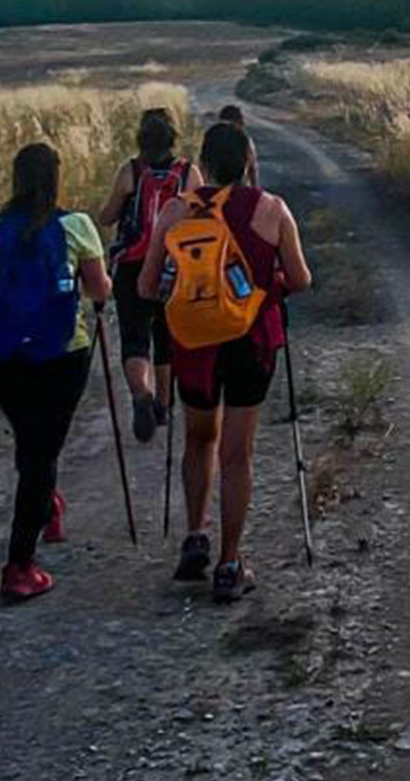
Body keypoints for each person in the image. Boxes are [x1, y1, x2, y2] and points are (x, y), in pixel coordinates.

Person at [139, 121, 311, 602]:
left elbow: (146, 287)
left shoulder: (176, 211)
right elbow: (301, 280)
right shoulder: (272, 210)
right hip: (250, 343)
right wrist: (263, 288)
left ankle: (195, 536)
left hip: (193, 347)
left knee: (198, 440)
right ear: (248, 160)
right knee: (238, 453)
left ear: (206, 164)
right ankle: (230, 563)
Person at [0, 143, 112, 602]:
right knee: (40, 454)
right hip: (61, 354)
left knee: (31, 443)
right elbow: (98, 289)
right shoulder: (75, 226)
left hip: (3, 358)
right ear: (55, 178)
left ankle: (45, 505)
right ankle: (19, 565)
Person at [97, 108, 200, 443]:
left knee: (134, 338)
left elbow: (108, 216)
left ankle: (141, 395)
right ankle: (164, 407)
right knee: (166, 340)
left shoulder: (130, 171)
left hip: (132, 266)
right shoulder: (188, 173)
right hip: (174, 267)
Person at [217, 104, 260, 188]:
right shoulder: (244, 140)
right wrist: (255, 191)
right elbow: (252, 169)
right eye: (241, 121)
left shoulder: (214, 139)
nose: (243, 124)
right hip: (240, 190)